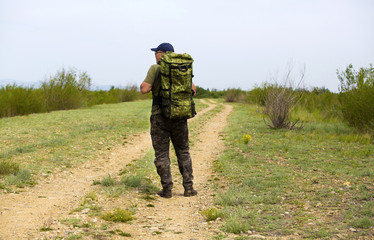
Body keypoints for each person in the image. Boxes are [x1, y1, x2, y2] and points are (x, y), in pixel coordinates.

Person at [140, 42, 197, 198]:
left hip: (159, 116)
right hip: (179, 116)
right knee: (183, 151)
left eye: (156, 52)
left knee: (162, 154)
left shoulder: (156, 68)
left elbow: (145, 89)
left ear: (162, 53)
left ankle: (167, 190)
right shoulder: (182, 68)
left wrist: (148, 85)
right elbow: (193, 91)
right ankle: (189, 188)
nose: (155, 55)